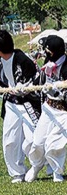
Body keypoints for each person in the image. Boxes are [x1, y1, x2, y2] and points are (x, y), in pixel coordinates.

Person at [0, 27, 41, 183]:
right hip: (11, 104)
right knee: (10, 139)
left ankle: (37, 166)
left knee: (32, 140)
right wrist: (5, 90)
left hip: (28, 103)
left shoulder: (22, 59)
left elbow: (34, 82)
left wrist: (21, 88)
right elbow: (2, 81)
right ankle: (17, 172)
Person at [26, 33, 67, 182]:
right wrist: (29, 86)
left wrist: (57, 88)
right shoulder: (48, 61)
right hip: (48, 108)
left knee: (54, 144)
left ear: (56, 51)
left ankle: (57, 172)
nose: (46, 53)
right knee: (38, 142)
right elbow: (40, 80)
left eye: (48, 51)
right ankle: (36, 166)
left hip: (63, 112)